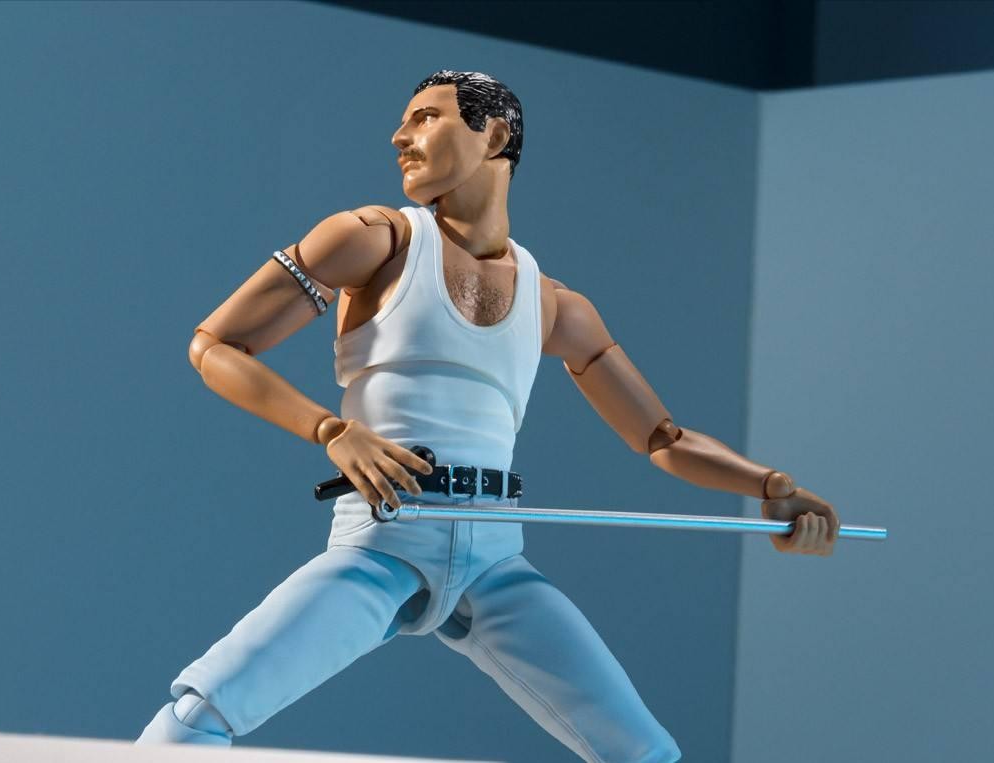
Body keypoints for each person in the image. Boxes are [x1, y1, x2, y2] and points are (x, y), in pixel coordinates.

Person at [136, 70, 839, 762]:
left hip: (494, 561)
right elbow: (215, 345)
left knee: (646, 752)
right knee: (199, 715)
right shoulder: (374, 241)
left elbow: (663, 438)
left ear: (494, 135)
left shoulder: (555, 303)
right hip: (383, 541)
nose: (399, 137)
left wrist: (770, 487)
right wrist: (331, 430)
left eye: (425, 117)